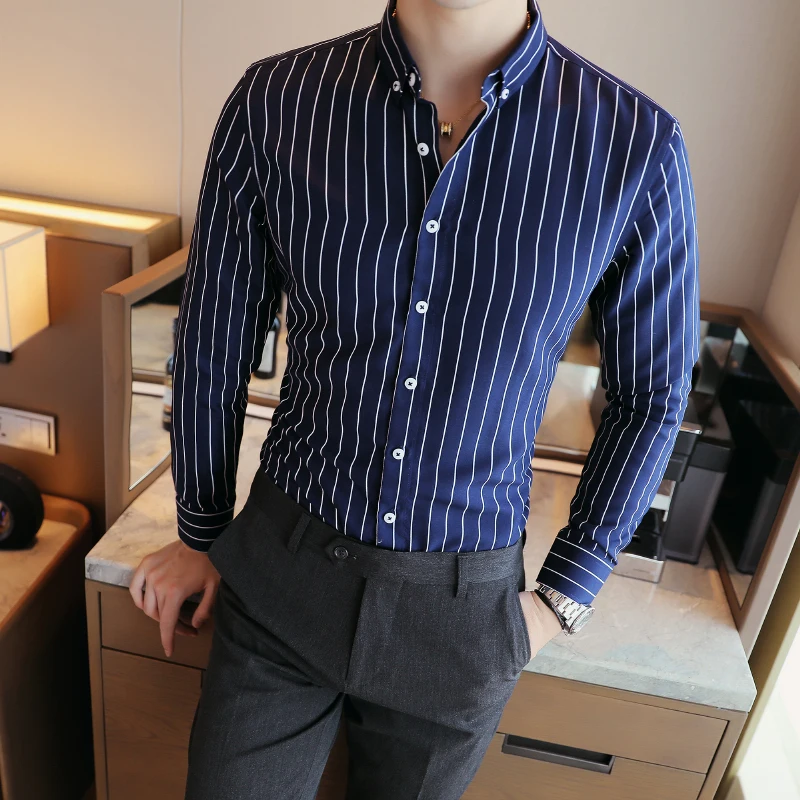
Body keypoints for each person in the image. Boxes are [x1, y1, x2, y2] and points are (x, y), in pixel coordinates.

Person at [130, 0, 700, 796]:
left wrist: (561, 598)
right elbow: (213, 338)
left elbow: (652, 394)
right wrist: (199, 530)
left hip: (463, 616)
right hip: (282, 577)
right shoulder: (278, 100)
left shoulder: (635, 147)